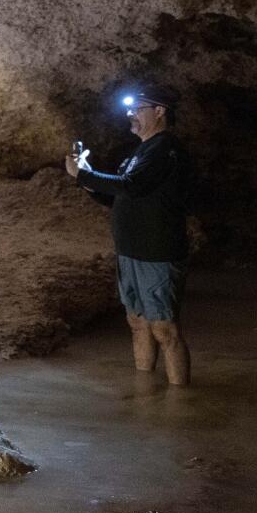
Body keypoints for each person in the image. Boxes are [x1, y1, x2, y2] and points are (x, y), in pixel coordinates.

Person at [66, 83, 192, 386]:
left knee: (164, 329)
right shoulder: (141, 151)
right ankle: (144, 393)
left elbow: (130, 185)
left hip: (157, 251)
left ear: (159, 111)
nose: (129, 114)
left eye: (137, 108)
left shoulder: (166, 149)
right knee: (137, 322)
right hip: (130, 250)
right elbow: (119, 196)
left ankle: (182, 404)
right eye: (129, 109)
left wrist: (84, 174)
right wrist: (88, 181)